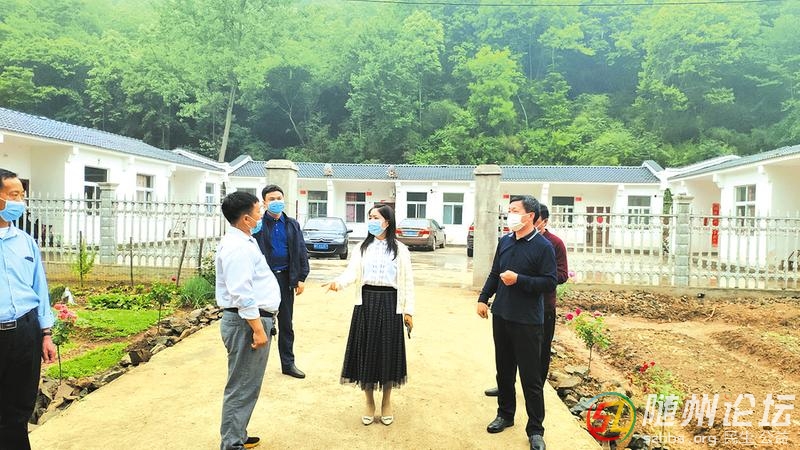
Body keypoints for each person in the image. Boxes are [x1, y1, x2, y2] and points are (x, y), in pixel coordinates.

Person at [477, 195, 557, 450]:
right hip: (502, 315)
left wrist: (519, 279)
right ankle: (505, 415)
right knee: (504, 371)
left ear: (530, 216)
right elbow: (494, 273)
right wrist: (483, 298)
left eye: (514, 210)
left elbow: (549, 282)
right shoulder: (505, 241)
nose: (509, 214)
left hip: (527, 321)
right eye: (509, 210)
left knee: (531, 378)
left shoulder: (543, 247)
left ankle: (535, 429)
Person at [324, 204, 414, 426]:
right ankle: (369, 402)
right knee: (366, 352)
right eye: (370, 217)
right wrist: (338, 283)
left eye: (376, 217)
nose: (372, 221)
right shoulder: (362, 248)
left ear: (387, 222)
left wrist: (408, 311)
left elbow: (408, 282)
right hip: (366, 304)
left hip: (391, 304)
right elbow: (352, 272)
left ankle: (386, 402)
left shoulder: (400, 250)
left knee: (388, 354)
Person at [216, 191, 281, 450]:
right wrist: (257, 329)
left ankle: (237, 434)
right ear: (245, 218)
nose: (261, 215)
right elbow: (241, 292)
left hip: (251, 321)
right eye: (258, 211)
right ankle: (231, 443)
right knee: (242, 385)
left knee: (247, 384)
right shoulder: (237, 247)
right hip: (247, 324)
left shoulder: (245, 240)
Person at [484, 204, 569, 396]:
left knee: (539, 352)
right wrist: (485, 296)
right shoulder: (510, 241)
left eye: (537, 222)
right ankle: (506, 386)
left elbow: (560, 276)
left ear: (542, 221)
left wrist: (528, 276)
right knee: (508, 353)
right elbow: (497, 272)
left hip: (542, 307)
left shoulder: (551, 244)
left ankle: (535, 389)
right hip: (514, 306)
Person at [0, 168, 57, 450]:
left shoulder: (25, 242)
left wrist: (46, 334)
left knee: (19, 408)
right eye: (14, 195)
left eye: (22, 196)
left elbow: (40, 288)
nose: (20, 202)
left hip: (25, 332)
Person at [253, 185, 309, 379]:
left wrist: (301, 277)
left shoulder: (292, 224)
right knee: (261, 321)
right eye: (272, 199)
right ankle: (255, 365)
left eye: (279, 198)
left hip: (285, 278)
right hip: (264, 279)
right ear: (264, 202)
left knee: (286, 323)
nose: (276, 202)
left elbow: (301, 250)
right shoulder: (259, 224)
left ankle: (288, 364)